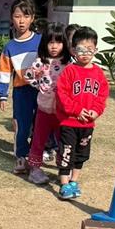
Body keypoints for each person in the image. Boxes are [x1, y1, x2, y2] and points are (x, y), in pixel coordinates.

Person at [55, 27, 109, 201]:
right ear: (73, 50)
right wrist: (76, 110)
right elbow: (62, 95)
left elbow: (102, 96)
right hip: (69, 122)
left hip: (87, 124)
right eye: (80, 49)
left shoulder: (98, 74)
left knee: (82, 153)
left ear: (96, 50)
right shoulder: (69, 71)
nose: (85, 54)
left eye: (89, 49)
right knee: (67, 152)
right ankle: (64, 184)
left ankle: (74, 181)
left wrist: (96, 111)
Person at [0, 0, 42, 175]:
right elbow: (4, 72)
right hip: (21, 92)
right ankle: (21, 156)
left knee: (40, 124)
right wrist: (2, 94)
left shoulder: (41, 41)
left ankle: (38, 154)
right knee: (21, 125)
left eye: (26, 16)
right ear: (11, 18)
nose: (21, 21)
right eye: (17, 16)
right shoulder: (10, 47)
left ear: (32, 18)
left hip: (42, 90)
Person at [25, 24, 72, 185]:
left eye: (58, 42)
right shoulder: (41, 61)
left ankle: (63, 168)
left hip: (62, 111)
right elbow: (28, 76)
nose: (54, 46)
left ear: (64, 44)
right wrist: (40, 86)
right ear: (45, 43)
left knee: (63, 140)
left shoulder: (68, 64)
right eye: (50, 42)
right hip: (44, 109)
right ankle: (34, 169)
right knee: (39, 139)